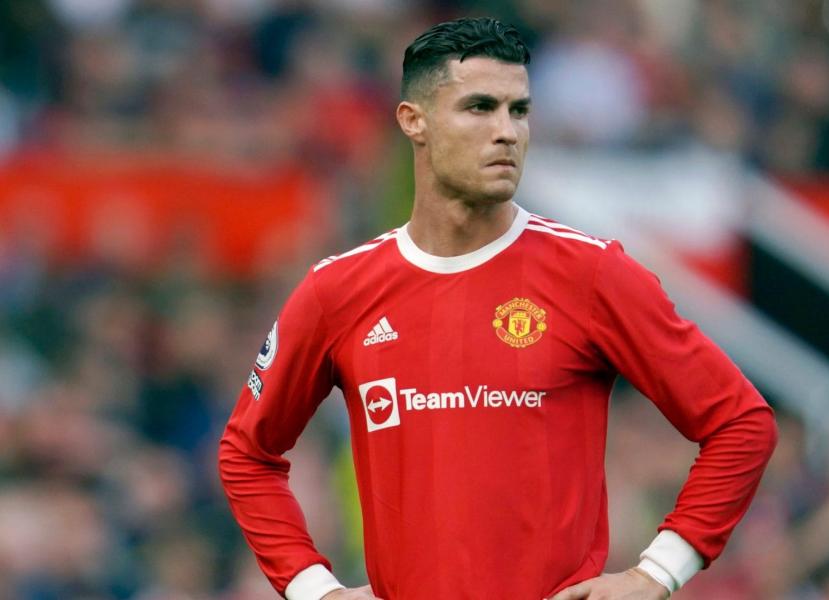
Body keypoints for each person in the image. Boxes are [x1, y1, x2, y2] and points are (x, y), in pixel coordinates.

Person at [219, 17, 778, 600]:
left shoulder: (592, 274)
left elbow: (740, 423)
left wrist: (656, 574)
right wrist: (315, 590)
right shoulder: (338, 291)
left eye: (520, 110)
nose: (507, 131)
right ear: (415, 122)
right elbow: (247, 453)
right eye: (480, 107)